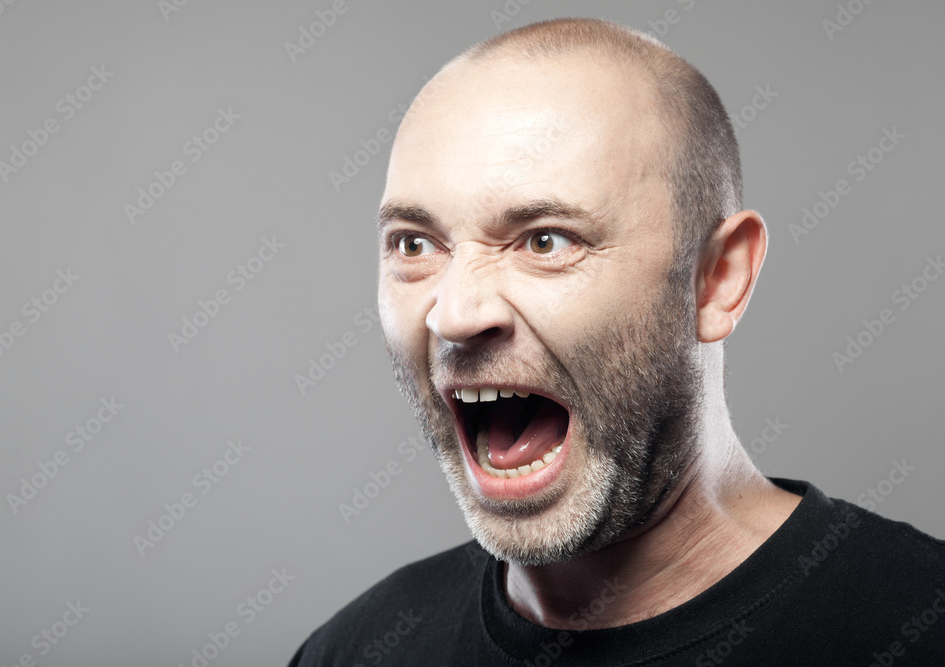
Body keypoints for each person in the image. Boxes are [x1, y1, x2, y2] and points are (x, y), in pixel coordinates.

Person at [290, 17, 945, 665]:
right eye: (415, 243)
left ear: (716, 278)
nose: (454, 314)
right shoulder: (356, 648)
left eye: (546, 240)